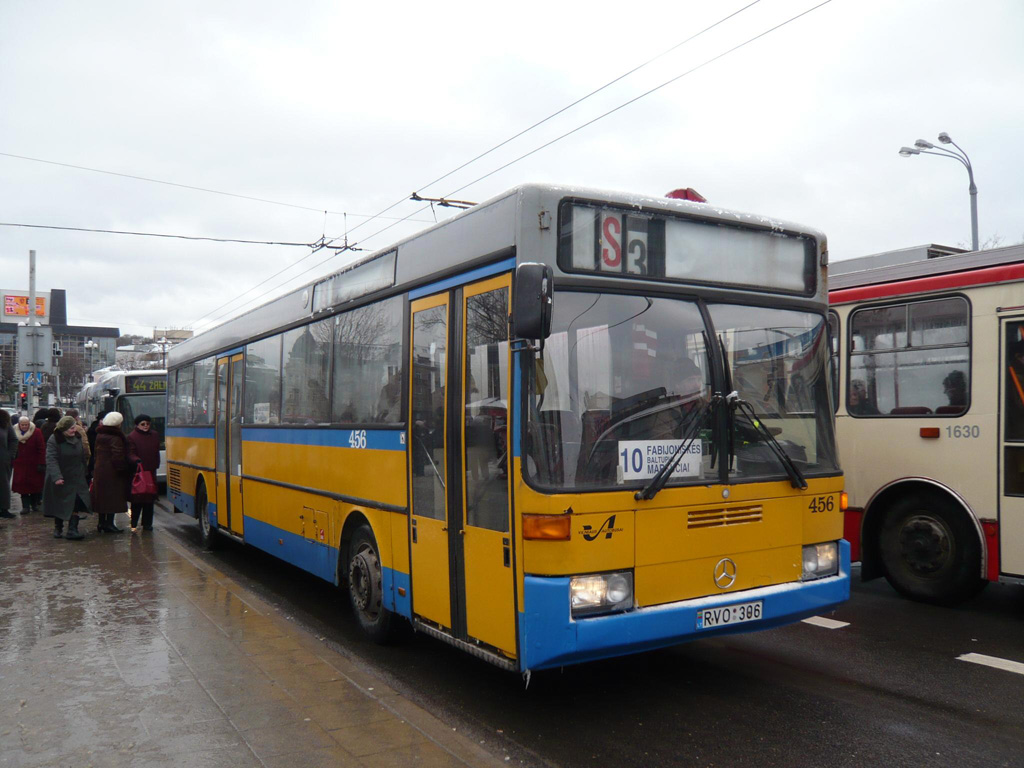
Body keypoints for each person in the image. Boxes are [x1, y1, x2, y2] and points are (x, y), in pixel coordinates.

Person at [42, 415, 92, 540]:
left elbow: (82, 456)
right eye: (71, 428)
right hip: (61, 476)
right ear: (63, 429)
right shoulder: (54, 439)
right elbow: (51, 459)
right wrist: (57, 476)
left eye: (74, 427)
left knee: (75, 502)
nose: (74, 430)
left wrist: (86, 472)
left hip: (76, 476)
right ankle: (58, 527)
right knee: (61, 503)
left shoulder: (78, 437)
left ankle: (72, 530)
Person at [91, 412, 130, 534]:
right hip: (112, 473)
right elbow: (117, 456)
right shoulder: (115, 437)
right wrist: (123, 469)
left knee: (102, 498)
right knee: (112, 498)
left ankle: (101, 523)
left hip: (100, 471)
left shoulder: (100, 434)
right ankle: (109, 524)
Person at [127, 413, 160, 531]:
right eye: (143, 424)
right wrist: (136, 461)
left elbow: (156, 450)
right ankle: (134, 522)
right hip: (139, 472)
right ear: (137, 425)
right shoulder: (132, 437)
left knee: (149, 499)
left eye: (148, 424)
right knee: (138, 498)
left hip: (151, 471)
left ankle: (147, 524)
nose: (146, 426)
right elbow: (130, 453)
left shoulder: (154, 435)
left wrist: (156, 464)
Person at [12, 416, 45, 514]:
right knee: (23, 486)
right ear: (19, 424)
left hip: (34, 463)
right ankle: (25, 507)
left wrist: (41, 462)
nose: (24, 426)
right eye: (22, 425)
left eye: (26, 424)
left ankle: (34, 505)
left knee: (35, 486)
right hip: (20, 464)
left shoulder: (36, 432)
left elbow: (41, 448)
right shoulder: (14, 432)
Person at [0, 410, 18, 519]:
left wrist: (9, 455)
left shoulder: (4, 420)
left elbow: (14, 440)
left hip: (2, 460)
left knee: (3, 484)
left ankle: (4, 508)